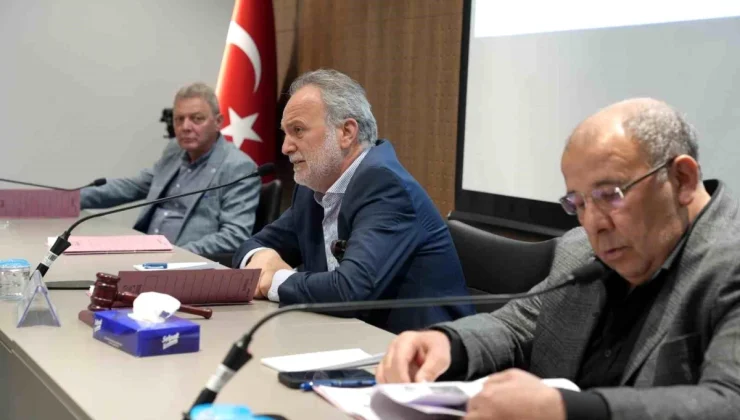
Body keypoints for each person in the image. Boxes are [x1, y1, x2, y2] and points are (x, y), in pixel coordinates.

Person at [376, 98, 740, 419]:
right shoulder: (580, 250)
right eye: (578, 203)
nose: (593, 223)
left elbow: (729, 402)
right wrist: (447, 344)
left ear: (682, 179)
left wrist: (565, 410)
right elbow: (516, 327)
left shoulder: (729, 262)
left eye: (610, 195)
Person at [232, 69, 474, 333]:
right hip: (347, 337)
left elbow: (350, 290)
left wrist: (274, 280)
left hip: (419, 347)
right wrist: (262, 257)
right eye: (285, 133)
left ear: (346, 132)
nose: (285, 147)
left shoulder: (385, 187)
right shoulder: (313, 188)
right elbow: (251, 245)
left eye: (298, 130)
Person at [81, 82, 260, 256]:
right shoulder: (175, 150)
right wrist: (69, 201)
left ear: (218, 122)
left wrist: (177, 254)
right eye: (179, 119)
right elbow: (131, 187)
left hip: (183, 261)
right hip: (143, 252)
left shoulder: (238, 167)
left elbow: (234, 236)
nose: (185, 127)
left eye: (197, 119)